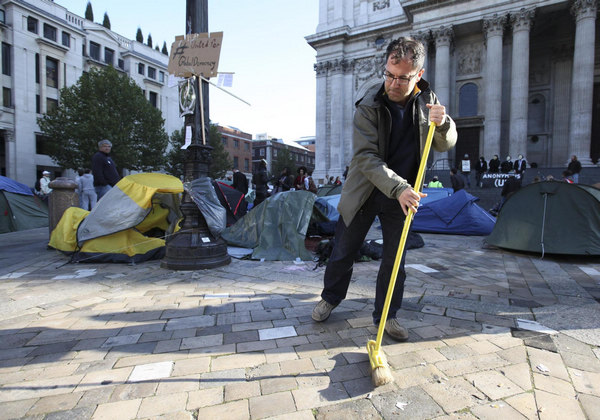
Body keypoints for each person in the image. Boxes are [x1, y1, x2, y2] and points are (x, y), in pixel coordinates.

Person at [311, 37, 457, 342]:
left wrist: (443, 124)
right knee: (343, 251)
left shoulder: (428, 100)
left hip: (403, 197)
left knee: (395, 260)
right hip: (367, 190)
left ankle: (387, 315)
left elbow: (445, 143)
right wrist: (399, 187)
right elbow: (365, 158)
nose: (394, 83)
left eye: (403, 78)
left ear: (418, 73)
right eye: (389, 75)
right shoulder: (368, 105)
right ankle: (330, 297)